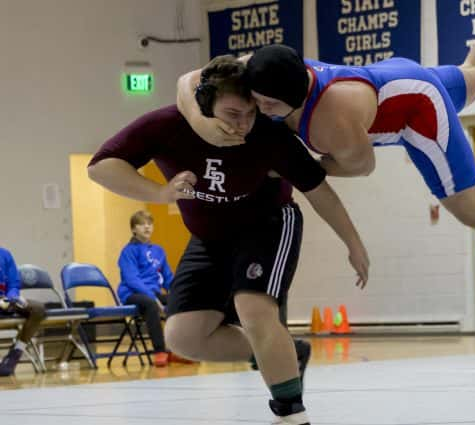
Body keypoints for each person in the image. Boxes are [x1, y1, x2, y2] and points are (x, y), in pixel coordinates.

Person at [178, 0, 475, 334]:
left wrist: (293, 165)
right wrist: (198, 121)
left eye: (267, 107)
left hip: (416, 111)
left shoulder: (330, 121)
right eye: (257, 100)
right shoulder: (261, 69)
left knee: (469, 207)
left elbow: (361, 167)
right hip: (392, 75)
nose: (258, 110)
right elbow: (187, 79)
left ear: (295, 101)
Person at [89, 55, 369, 424]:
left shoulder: (270, 135)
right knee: (183, 336)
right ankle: (285, 352)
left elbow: (319, 191)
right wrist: (159, 193)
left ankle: (290, 413)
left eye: (251, 114)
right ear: (204, 105)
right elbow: (101, 166)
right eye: (233, 114)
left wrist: (353, 243)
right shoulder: (167, 125)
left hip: (267, 223)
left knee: (254, 311)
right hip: (209, 236)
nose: (244, 124)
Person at [117, 210, 175, 366]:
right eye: (142, 224)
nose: (147, 227)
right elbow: (131, 279)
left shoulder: (159, 250)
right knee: (150, 303)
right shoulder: (128, 251)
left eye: (149, 224)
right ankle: (159, 351)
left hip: (153, 292)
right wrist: (153, 297)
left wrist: (179, 291)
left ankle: (178, 350)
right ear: (134, 229)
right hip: (132, 293)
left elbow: (168, 276)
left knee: (179, 301)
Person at [0, 246, 46, 376]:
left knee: (38, 308)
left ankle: (16, 353)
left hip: (6, 300)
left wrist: (11, 298)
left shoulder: (4, 254)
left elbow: (14, 283)